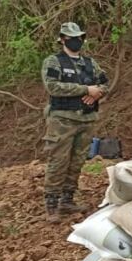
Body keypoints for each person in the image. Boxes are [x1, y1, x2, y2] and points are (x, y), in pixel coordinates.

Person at [41, 22, 109, 222]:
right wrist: (86, 90)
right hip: (62, 120)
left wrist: (97, 94)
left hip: (86, 119)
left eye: (79, 37)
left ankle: (67, 200)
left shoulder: (90, 63)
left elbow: (105, 82)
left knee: (77, 161)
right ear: (62, 39)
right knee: (58, 161)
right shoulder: (53, 62)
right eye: (71, 37)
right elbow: (53, 87)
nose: (76, 41)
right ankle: (52, 205)